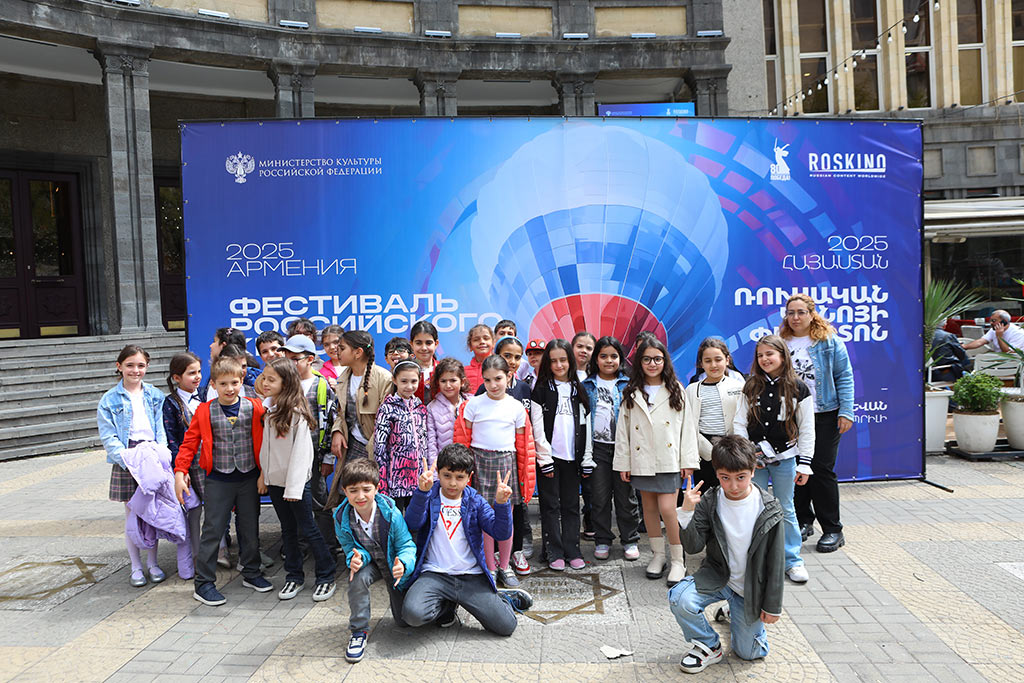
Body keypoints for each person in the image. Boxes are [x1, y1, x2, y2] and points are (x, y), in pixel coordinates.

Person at [669, 435, 784, 673]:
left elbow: (776, 561)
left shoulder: (769, 507)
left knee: (750, 653)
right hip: (718, 578)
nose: (733, 486)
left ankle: (735, 612)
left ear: (753, 470)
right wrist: (686, 512)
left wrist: (772, 605)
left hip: (749, 589)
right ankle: (709, 646)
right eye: (725, 478)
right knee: (680, 598)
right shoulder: (710, 500)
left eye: (741, 477)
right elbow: (693, 547)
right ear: (716, 474)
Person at [402, 444, 533, 635]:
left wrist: (502, 504)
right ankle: (447, 605)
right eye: (447, 476)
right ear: (438, 473)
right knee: (412, 614)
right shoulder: (430, 495)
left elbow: (501, 533)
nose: (452, 483)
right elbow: (412, 523)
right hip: (434, 574)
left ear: (469, 477)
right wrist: (421, 492)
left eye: (459, 477)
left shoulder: (475, 501)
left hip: (471, 577)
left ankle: (503, 599)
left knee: (506, 626)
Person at [174, 356, 271, 605]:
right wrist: (180, 472)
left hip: (249, 477)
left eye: (234, 383)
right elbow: (189, 444)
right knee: (213, 530)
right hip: (218, 479)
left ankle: (251, 571)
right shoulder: (204, 411)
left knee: (250, 527)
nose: (230, 389)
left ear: (242, 381)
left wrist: (264, 474)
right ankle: (203, 583)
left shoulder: (255, 407)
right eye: (223, 384)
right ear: (213, 385)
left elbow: (269, 438)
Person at [613, 336, 697, 586]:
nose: (652, 364)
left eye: (657, 359)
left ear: (665, 361)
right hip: (642, 459)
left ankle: (678, 560)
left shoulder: (676, 389)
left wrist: (688, 460)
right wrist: (624, 463)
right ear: (639, 362)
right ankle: (658, 555)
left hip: (669, 458)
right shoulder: (631, 391)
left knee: (668, 509)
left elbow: (687, 428)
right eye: (647, 359)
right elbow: (623, 431)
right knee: (648, 509)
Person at [734, 334, 814, 584]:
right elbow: (739, 422)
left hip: (785, 459)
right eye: (760, 355)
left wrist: (805, 463)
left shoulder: (798, 388)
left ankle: (792, 560)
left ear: (782, 355)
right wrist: (747, 453)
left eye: (770, 354)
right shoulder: (750, 386)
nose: (765, 359)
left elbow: (807, 428)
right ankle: (755, 558)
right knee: (754, 508)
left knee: (785, 507)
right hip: (754, 460)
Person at [778, 293, 853, 553]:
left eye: (801, 312)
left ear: (812, 314)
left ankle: (833, 529)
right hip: (791, 416)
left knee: (820, 470)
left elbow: (844, 376)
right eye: (791, 312)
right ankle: (803, 521)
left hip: (824, 413)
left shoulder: (829, 342)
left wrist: (846, 411)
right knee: (796, 469)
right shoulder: (781, 342)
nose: (795, 317)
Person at [257, 358, 336, 602]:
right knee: (288, 530)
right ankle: (294, 575)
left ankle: (326, 575)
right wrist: (264, 475)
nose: (265, 383)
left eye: (272, 379)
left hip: (296, 485)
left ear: (286, 383)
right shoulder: (270, 409)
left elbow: (302, 455)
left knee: (309, 529)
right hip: (275, 482)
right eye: (265, 378)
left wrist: (294, 488)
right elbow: (267, 449)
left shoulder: (296, 414)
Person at [456, 355, 536, 587]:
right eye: (488, 380)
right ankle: (490, 566)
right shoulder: (473, 404)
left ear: (509, 376)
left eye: (498, 378)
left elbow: (524, 444)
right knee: (485, 517)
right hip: (479, 462)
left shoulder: (516, 407)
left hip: (506, 463)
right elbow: (463, 439)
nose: (493, 384)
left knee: (505, 517)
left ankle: (505, 566)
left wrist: (524, 475)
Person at [97, 345, 173, 586]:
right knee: (132, 515)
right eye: (130, 365)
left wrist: (162, 454)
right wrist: (128, 460)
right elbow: (109, 436)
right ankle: (136, 566)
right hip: (128, 459)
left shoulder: (155, 395)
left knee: (151, 513)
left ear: (147, 367)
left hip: (151, 455)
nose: (135, 370)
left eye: (141, 365)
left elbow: (161, 428)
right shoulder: (109, 399)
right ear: (119, 366)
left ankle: (153, 563)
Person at [335, 458, 417, 664]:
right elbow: (349, 548)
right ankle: (358, 631)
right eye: (353, 490)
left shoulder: (391, 512)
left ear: (377, 488)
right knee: (357, 578)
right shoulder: (340, 517)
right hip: (370, 563)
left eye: (366, 489)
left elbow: (406, 544)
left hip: (392, 564)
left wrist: (403, 564)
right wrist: (355, 559)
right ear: (345, 491)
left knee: (404, 621)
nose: (360, 496)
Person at [531, 339, 594, 572]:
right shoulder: (541, 390)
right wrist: (544, 458)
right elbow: (537, 428)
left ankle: (573, 550)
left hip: (573, 459)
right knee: (550, 506)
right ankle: (553, 551)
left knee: (571, 505)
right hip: (550, 459)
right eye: (553, 361)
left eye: (563, 360)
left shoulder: (579, 390)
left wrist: (586, 458)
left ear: (570, 361)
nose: (559, 365)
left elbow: (586, 426)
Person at [582, 336, 640, 562]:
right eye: (603, 356)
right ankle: (602, 539)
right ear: (596, 359)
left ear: (620, 359)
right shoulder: (587, 385)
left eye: (613, 356)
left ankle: (630, 539)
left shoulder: (628, 384)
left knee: (626, 498)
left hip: (623, 449)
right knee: (599, 498)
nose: (609, 361)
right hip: (597, 449)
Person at [281, 334, 339, 551]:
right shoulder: (283, 384)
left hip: (314, 454)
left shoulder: (321, 385)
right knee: (293, 499)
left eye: (295, 359)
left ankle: (328, 546)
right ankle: (301, 545)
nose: (291, 364)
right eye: (287, 359)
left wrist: (328, 458)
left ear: (310, 359)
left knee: (319, 500)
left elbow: (332, 422)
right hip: (288, 454)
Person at [325, 330, 393, 507]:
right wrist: (337, 431)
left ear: (358, 352)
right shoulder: (343, 378)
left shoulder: (383, 378)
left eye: (342, 348)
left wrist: (375, 449)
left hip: (376, 448)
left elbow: (387, 420)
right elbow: (341, 412)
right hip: (352, 445)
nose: (337, 351)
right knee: (349, 493)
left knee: (375, 497)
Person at [684, 338, 744, 491]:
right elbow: (688, 425)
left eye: (718, 359)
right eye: (708, 361)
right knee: (706, 494)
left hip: (733, 450)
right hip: (703, 450)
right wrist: (705, 449)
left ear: (727, 360)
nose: (713, 365)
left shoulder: (739, 386)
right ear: (701, 363)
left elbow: (744, 419)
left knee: (732, 492)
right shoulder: (692, 389)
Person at [372, 360, 429, 511]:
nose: (409, 386)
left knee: (415, 519)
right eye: (404, 381)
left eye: (413, 381)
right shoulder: (387, 408)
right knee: (395, 519)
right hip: (394, 480)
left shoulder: (420, 408)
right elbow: (379, 448)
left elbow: (424, 443)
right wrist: (382, 481)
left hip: (417, 479)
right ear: (394, 380)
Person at [163, 351, 204, 561]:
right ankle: (195, 556)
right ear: (177, 377)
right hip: (188, 465)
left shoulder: (205, 396)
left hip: (209, 462)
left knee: (216, 509)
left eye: (199, 371)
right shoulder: (171, 403)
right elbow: (172, 440)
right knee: (193, 509)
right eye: (191, 373)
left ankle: (221, 551)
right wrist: (180, 470)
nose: (197, 377)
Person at [425, 357, 470, 469]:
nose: (448, 385)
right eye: (443, 381)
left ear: (462, 382)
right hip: (444, 468)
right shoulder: (432, 408)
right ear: (438, 382)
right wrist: (434, 472)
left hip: (467, 467)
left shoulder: (472, 404)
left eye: (453, 380)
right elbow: (431, 444)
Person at [410, 320, 441, 403]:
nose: (424, 348)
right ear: (411, 344)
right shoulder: (404, 370)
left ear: (436, 344)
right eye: (418, 343)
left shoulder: (443, 369)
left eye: (428, 343)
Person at [464, 323, 495, 393]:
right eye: (476, 340)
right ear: (470, 346)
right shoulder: (463, 372)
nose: (482, 342)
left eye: (486, 338)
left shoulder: (501, 368)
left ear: (493, 343)